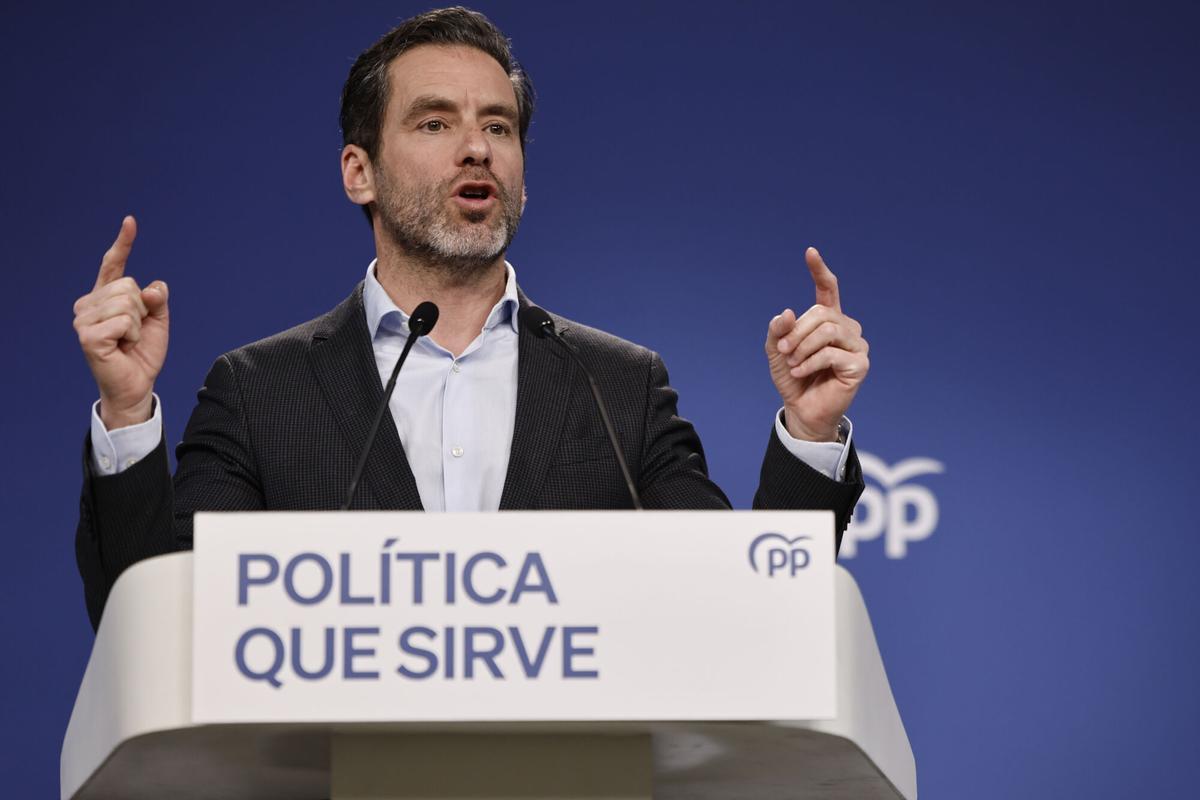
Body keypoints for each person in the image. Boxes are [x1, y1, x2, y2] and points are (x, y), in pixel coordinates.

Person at [71, 7, 871, 630]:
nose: (477, 148)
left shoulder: (618, 386)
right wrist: (128, 414)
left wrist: (806, 434)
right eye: (434, 123)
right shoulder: (259, 391)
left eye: (498, 125)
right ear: (360, 172)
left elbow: (743, 611)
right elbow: (150, 624)